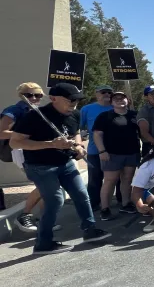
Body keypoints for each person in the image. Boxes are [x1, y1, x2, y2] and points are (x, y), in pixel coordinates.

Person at [10, 83, 110, 253]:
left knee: (81, 194)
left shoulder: (75, 114)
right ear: (54, 98)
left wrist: (78, 146)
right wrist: (51, 144)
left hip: (66, 163)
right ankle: (43, 243)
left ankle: (90, 230)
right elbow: (15, 142)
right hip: (40, 166)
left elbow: (76, 131)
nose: (74, 103)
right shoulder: (35, 116)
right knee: (56, 200)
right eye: (70, 100)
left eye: (77, 100)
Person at [1, 82, 48, 233]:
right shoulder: (13, 110)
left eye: (38, 95)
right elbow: (1, 132)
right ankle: (24, 216)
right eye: (29, 95)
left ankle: (45, 221)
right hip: (21, 151)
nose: (34, 98)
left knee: (46, 185)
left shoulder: (39, 110)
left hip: (38, 149)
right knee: (44, 184)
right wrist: (26, 133)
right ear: (22, 95)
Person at [92, 91, 141, 220]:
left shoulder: (134, 115)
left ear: (127, 100)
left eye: (122, 98)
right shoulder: (104, 116)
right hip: (111, 154)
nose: (119, 100)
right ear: (112, 102)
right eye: (116, 98)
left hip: (132, 153)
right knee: (110, 181)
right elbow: (97, 135)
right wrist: (102, 151)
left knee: (127, 179)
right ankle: (105, 208)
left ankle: (125, 204)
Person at [79, 84, 113, 210]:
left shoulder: (116, 107)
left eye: (109, 93)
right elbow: (79, 128)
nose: (107, 95)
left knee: (117, 178)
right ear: (97, 94)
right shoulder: (87, 109)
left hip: (115, 151)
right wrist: (79, 143)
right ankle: (93, 203)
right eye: (103, 92)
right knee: (95, 179)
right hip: (95, 151)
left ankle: (120, 201)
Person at [137, 84, 154, 155]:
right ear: (146, 97)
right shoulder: (144, 111)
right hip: (151, 146)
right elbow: (144, 133)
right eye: (152, 94)